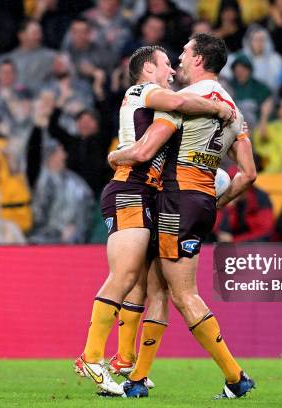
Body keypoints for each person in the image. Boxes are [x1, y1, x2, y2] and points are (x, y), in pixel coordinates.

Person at [73, 44, 236, 396]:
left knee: (143, 286)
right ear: (148, 69)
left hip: (148, 194)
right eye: (165, 64)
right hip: (129, 189)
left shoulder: (159, 101)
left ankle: (126, 362)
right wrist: (216, 107)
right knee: (126, 275)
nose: (173, 70)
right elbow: (176, 107)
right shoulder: (142, 90)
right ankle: (91, 356)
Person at [108, 33, 256, 399]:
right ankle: (137, 380)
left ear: (200, 60)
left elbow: (145, 150)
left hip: (177, 198)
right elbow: (249, 174)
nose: (179, 59)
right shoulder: (234, 110)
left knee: (183, 294)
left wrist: (115, 157)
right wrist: (216, 203)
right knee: (158, 285)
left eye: (185, 53)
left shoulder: (185, 102)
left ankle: (236, 377)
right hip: (201, 198)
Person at [29, 139, 94, 243]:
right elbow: (38, 220)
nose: (65, 156)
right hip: (46, 241)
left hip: (75, 237)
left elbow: (87, 204)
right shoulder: (42, 183)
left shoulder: (74, 181)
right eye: (60, 152)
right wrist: (58, 233)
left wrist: (76, 229)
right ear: (50, 156)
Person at [220, 24, 282, 93]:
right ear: (249, 41)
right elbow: (225, 76)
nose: (259, 43)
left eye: (262, 40)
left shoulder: (276, 60)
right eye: (256, 40)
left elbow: (279, 83)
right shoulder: (237, 57)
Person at [216, 168, 274, 243]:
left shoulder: (260, 198)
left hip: (253, 246)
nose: (234, 186)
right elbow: (218, 230)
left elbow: (265, 232)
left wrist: (234, 240)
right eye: (231, 181)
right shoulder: (224, 197)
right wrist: (228, 207)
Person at [6, 20, 57, 94]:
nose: (38, 36)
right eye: (34, 33)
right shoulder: (9, 59)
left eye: (39, 32)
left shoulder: (52, 57)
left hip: (41, 97)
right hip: (14, 97)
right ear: (21, 35)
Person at [227, 54, 271, 131]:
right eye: (237, 71)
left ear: (249, 70)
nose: (240, 73)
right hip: (235, 130)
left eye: (243, 70)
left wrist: (263, 121)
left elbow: (268, 103)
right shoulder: (229, 87)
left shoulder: (259, 87)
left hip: (256, 129)